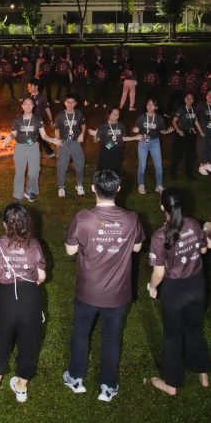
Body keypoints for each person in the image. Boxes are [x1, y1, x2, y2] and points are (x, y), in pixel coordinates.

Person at [63, 169, 145, 402]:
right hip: (118, 295)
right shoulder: (131, 219)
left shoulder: (83, 218)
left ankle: (76, 377)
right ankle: (107, 386)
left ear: (93, 189)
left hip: (88, 292)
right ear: (118, 189)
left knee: (81, 333)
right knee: (112, 338)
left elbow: (70, 250)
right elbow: (137, 247)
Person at [0, 203, 46, 414]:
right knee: (29, 345)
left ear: (5, 224)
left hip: (6, 300)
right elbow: (41, 277)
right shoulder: (34, 245)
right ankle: (21, 388)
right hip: (30, 298)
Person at [148, 188, 210, 395]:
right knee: (194, 331)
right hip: (197, 286)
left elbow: (158, 272)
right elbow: (202, 250)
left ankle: (172, 384)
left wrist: (152, 287)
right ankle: (202, 373)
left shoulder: (159, 237)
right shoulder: (193, 224)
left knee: (173, 337)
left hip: (174, 292)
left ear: (162, 208)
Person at [4, 97, 58, 203]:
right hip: (20, 148)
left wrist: (52, 139)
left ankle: (30, 191)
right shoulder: (17, 120)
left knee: (34, 172)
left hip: (33, 147)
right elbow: (14, 134)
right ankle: (17, 195)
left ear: (33, 106)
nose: (28, 106)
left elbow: (43, 135)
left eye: (30, 104)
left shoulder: (38, 120)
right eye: (26, 104)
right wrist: (9, 137)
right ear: (22, 106)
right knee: (19, 173)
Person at [132, 98, 172, 194]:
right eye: (148, 104)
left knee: (158, 166)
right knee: (142, 166)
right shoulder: (141, 117)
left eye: (152, 105)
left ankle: (159, 185)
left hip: (155, 143)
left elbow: (161, 130)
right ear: (146, 106)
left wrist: (167, 132)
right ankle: (141, 184)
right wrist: (135, 129)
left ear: (156, 107)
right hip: (143, 142)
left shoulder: (159, 118)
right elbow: (136, 128)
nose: (150, 106)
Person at [88, 106, 139, 174]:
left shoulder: (121, 125)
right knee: (102, 170)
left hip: (118, 150)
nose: (116, 116)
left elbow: (123, 138)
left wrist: (135, 137)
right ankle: (99, 184)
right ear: (109, 114)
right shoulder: (103, 126)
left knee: (115, 171)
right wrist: (95, 135)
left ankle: (115, 184)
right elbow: (95, 141)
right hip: (106, 151)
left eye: (117, 115)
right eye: (114, 114)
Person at [54, 94, 86, 198]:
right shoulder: (60, 115)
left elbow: (83, 125)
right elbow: (57, 129)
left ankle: (79, 185)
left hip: (75, 142)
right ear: (65, 103)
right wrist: (58, 142)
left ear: (75, 103)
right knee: (62, 167)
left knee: (80, 165)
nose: (70, 104)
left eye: (72, 102)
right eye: (68, 102)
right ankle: (61, 187)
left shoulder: (79, 114)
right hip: (63, 142)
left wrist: (82, 134)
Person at [170, 93, 204, 180]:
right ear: (184, 99)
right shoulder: (181, 109)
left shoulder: (193, 109)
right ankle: (173, 173)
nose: (189, 100)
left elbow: (195, 120)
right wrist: (178, 130)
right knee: (177, 154)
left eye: (191, 98)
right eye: (187, 98)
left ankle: (188, 173)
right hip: (181, 134)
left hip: (191, 135)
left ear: (193, 100)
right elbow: (174, 121)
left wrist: (200, 131)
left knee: (190, 155)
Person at [27, 79, 55, 158]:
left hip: (39, 120)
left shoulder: (42, 97)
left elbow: (47, 109)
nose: (29, 88)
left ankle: (47, 151)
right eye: (28, 86)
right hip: (31, 120)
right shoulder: (30, 96)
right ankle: (49, 152)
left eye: (30, 86)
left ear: (36, 87)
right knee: (39, 137)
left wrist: (51, 120)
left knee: (32, 135)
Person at [197, 88, 211, 176]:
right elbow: (194, 116)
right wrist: (199, 129)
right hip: (203, 131)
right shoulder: (201, 105)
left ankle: (207, 164)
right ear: (205, 96)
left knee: (209, 147)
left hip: (210, 131)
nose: (210, 97)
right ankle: (201, 166)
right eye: (209, 94)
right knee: (202, 148)